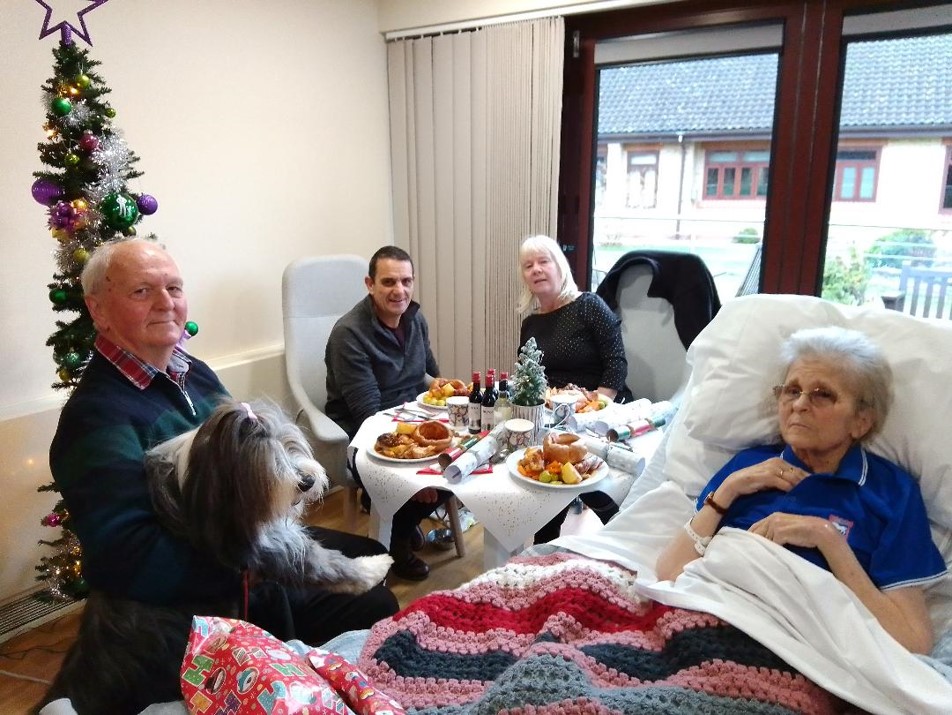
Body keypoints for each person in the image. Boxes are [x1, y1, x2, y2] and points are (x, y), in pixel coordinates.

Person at [49, 237, 398, 646]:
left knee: (370, 553)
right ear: (98, 309)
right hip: (210, 605)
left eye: (174, 288)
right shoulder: (94, 419)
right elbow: (127, 558)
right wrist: (261, 566)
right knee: (374, 603)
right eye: (142, 291)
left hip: (254, 549)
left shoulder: (193, 373)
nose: (165, 302)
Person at [656, 326, 945, 654]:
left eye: (823, 394)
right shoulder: (748, 465)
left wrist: (827, 539)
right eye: (792, 390)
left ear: (861, 421)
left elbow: (912, 640)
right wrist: (727, 491)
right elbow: (669, 573)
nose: (799, 404)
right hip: (700, 615)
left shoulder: (892, 492)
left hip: (792, 652)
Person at [325, 245, 451, 581]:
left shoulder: (415, 318)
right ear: (370, 284)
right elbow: (370, 414)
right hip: (365, 429)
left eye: (406, 281)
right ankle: (395, 543)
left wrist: (451, 398)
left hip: (413, 417)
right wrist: (418, 472)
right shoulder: (349, 334)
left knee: (462, 465)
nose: (400, 291)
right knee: (429, 482)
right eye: (389, 282)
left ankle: (401, 517)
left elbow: (433, 379)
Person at [517, 234, 632, 543]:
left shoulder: (588, 306)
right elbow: (531, 377)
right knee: (545, 468)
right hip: (552, 414)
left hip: (597, 408)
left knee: (573, 466)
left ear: (560, 267)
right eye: (529, 265)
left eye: (544, 261)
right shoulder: (530, 323)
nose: (537, 269)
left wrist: (593, 406)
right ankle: (545, 547)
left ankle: (621, 534)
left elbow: (616, 363)